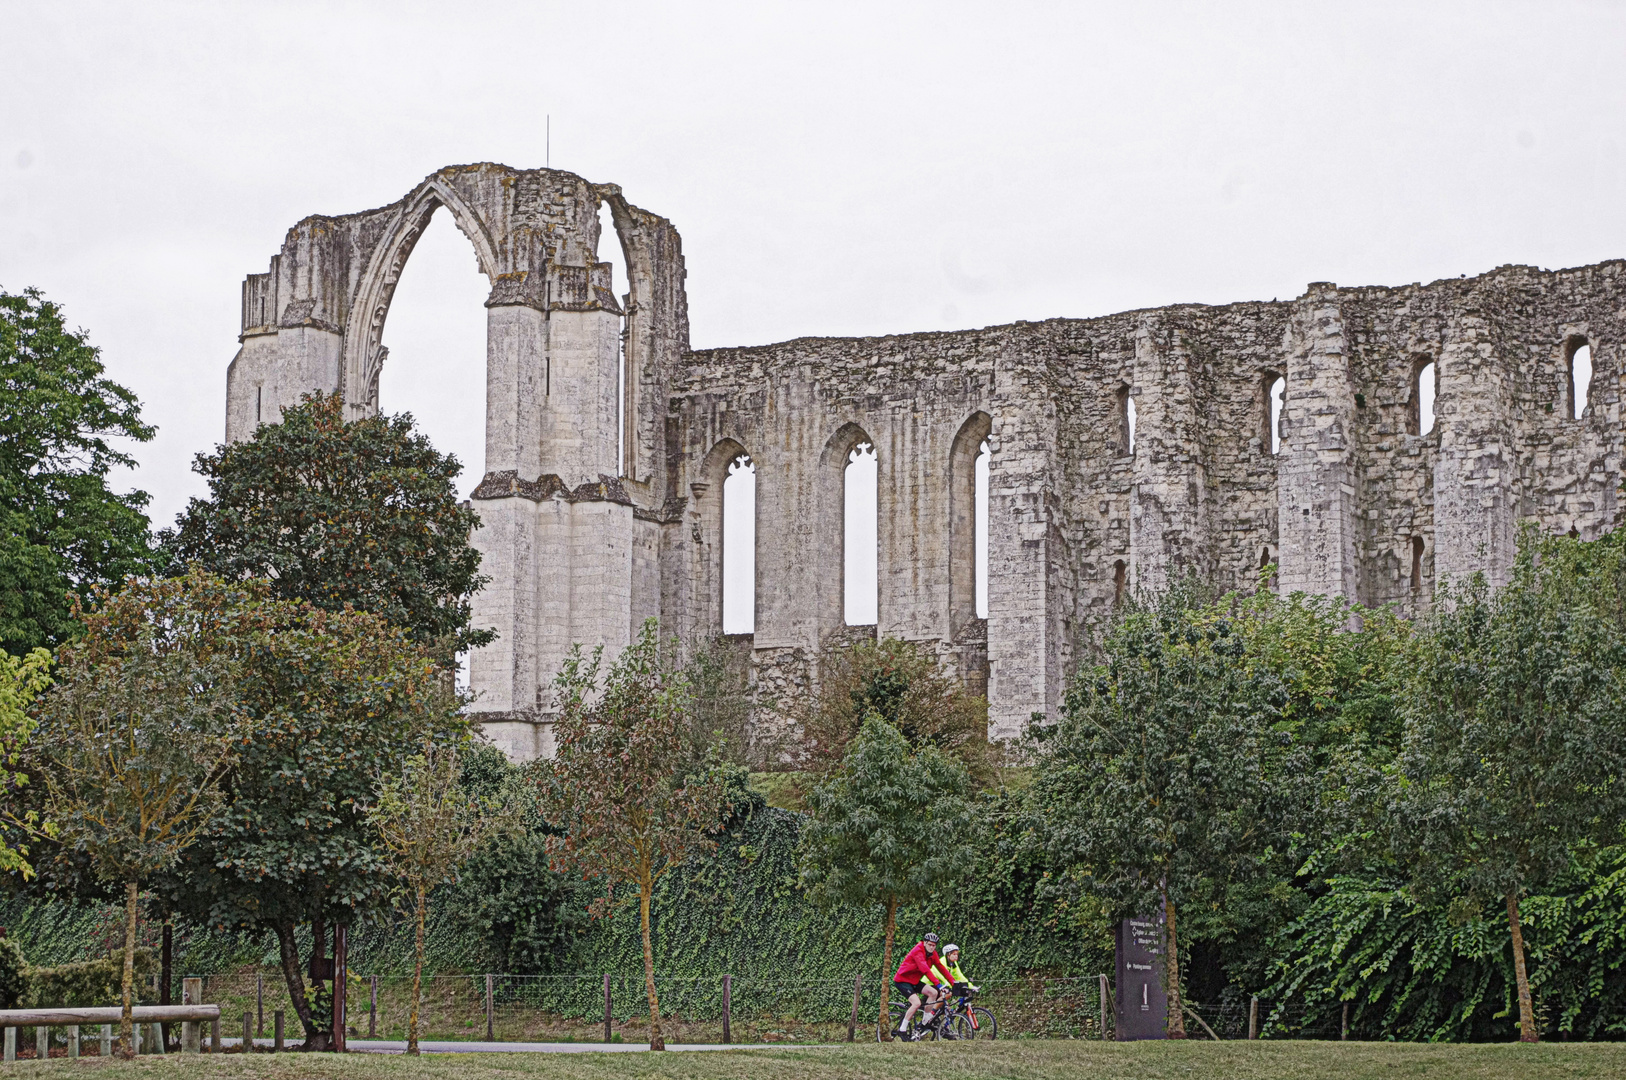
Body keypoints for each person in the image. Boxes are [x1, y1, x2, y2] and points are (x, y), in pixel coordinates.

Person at [892, 932, 953, 1039]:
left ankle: (925, 1022)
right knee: (916, 1003)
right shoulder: (918, 951)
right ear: (924, 943)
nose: (931, 947)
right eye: (929, 944)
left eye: (934, 945)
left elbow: (941, 967)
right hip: (903, 980)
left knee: (933, 993)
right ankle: (902, 1030)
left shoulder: (933, 954)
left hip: (914, 981)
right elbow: (925, 970)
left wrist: (954, 982)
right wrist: (938, 985)